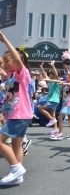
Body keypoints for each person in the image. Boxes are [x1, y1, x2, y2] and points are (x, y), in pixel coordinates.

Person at [0, 31, 32, 185]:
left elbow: (18, 59)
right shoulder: (12, 77)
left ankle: (16, 168)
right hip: (20, 116)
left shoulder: (22, 73)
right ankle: (17, 176)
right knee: (16, 145)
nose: (5, 64)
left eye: (7, 61)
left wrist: (5, 40)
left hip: (20, 116)